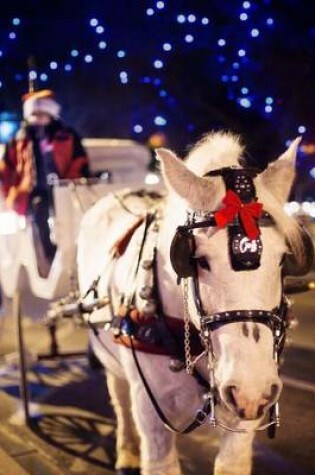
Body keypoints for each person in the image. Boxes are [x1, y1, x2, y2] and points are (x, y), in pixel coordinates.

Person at [0, 89, 90, 264]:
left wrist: (72, 180)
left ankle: (74, 254)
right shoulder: (20, 139)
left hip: (63, 188)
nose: (38, 118)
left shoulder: (66, 135)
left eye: (42, 113)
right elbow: (7, 168)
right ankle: (51, 256)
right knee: (40, 217)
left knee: (68, 219)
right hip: (34, 191)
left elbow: (79, 161)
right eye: (35, 114)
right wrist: (11, 190)